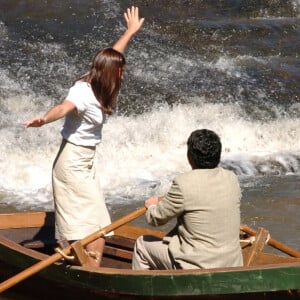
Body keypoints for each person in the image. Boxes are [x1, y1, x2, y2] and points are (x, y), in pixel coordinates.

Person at [24, 6, 144, 267]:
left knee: (100, 224)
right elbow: (63, 108)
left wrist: (130, 32)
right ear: (110, 72)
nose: (123, 73)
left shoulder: (101, 81)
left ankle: (92, 269)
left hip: (86, 162)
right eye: (120, 70)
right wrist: (44, 119)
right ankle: (84, 271)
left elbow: (115, 55)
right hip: (71, 163)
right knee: (82, 225)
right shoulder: (82, 90)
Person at [132, 129, 243, 270]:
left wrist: (152, 206)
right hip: (232, 263)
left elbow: (156, 219)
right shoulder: (231, 179)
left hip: (197, 265)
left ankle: (147, 291)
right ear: (218, 155)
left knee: (142, 245)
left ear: (190, 156)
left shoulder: (183, 183)